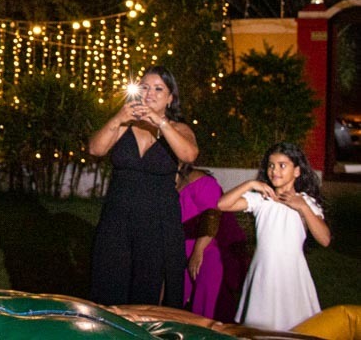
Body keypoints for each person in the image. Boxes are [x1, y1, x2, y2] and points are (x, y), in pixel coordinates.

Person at [88, 65, 198, 307]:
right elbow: (95, 149)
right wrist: (118, 118)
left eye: (159, 89)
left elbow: (189, 155)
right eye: (145, 87)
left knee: (147, 290)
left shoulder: (178, 129)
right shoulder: (124, 125)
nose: (150, 93)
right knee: (110, 285)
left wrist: (161, 123)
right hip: (119, 219)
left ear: (170, 98)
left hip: (158, 221)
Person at [217, 142, 331, 331]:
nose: (274, 170)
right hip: (263, 272)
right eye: (271, 165)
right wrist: (250, 184)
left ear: (297, 171)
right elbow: (222, 204)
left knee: (293, 326)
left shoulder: (306, 202)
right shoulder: (262, 199)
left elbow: (325, 239)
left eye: (282, 165)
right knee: (260, 327)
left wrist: (302, 207)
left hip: (291, 273)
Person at [177, 163, 248, 322]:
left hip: (206, 252)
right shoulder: (160, 182)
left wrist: (198, 251)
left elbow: (212, 215)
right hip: (176, 253)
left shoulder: (201, 181)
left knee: (206, 308)